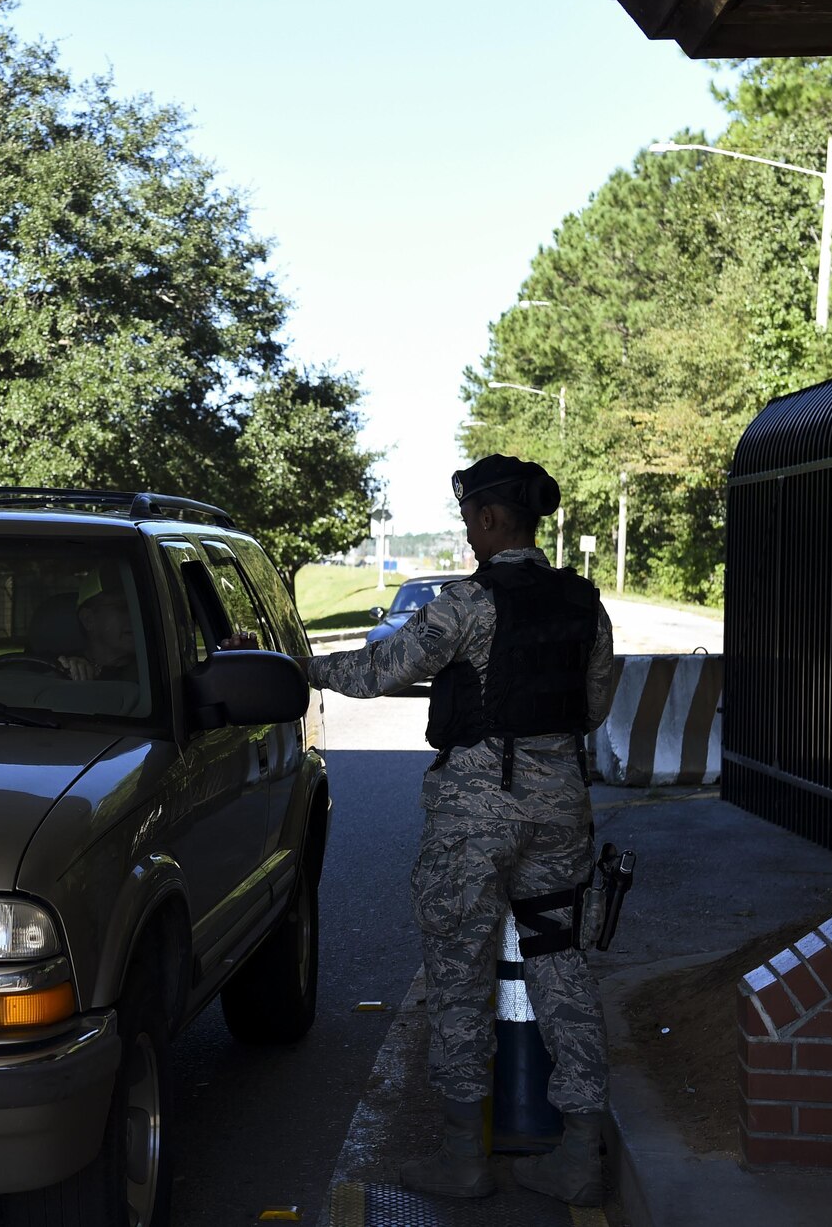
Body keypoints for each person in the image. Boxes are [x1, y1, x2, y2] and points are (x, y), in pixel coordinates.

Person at [303, 455, 614, 1205]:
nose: (468, 533)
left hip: (476, 815)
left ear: (489, 519)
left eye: (471, 519)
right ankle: (578, 1153)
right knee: (560, 967)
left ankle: (462, 1157)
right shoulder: (584, 604)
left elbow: (381, 669)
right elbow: (596, 702)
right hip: (560, 808)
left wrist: (307, 667)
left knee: (459, 975)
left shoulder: (467, 602)